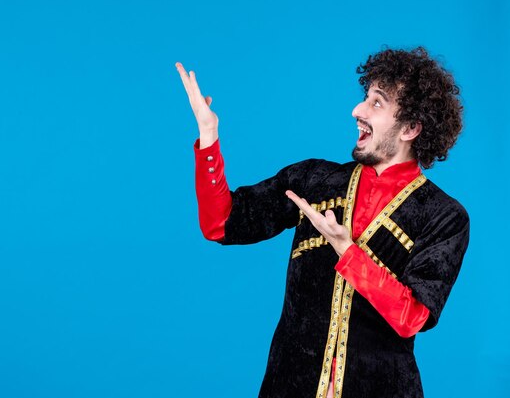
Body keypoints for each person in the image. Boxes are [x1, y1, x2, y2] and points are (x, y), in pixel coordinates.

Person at [175, 46, 470, 398]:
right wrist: (209, 139)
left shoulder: (443, 215)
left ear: (410, 128)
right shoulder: (312, 180)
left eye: (377, 103)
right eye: (365, 97)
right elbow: (221, 223)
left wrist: (347, 250)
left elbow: (412, 318)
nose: (357, 110)